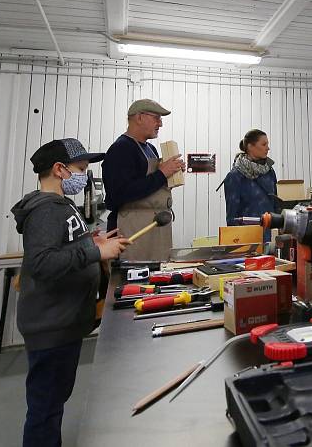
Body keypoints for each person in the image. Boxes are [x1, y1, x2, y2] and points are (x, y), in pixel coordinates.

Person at [11, 138, 130, 447]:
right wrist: (94, 253)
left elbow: (66, 247)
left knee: (54, 402)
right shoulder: (46, 211)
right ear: (59, 170)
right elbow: (43, 264)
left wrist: (94, 241)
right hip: (52, 326)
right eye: (81, 168)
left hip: (64, 323)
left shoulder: (62, 207)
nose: (85, 175)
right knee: (46, 409)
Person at [102, 99, 185, 260]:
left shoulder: (151, 149)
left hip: (154, 227)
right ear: (139, 117)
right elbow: (119, 194)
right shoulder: (121, 149)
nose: (160, 124)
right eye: (156, 118)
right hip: (132, 229)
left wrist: (171, 176)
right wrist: (161, 174)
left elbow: (150, 186)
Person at [224, 129, 277, 241]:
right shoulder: (235, 176)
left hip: (271, 237)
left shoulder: (269, 172)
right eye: (263, 144)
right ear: (250, 147)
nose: (268, 148)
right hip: (248, 238)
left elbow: (275, 205)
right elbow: (232, 217)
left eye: (267, 144)